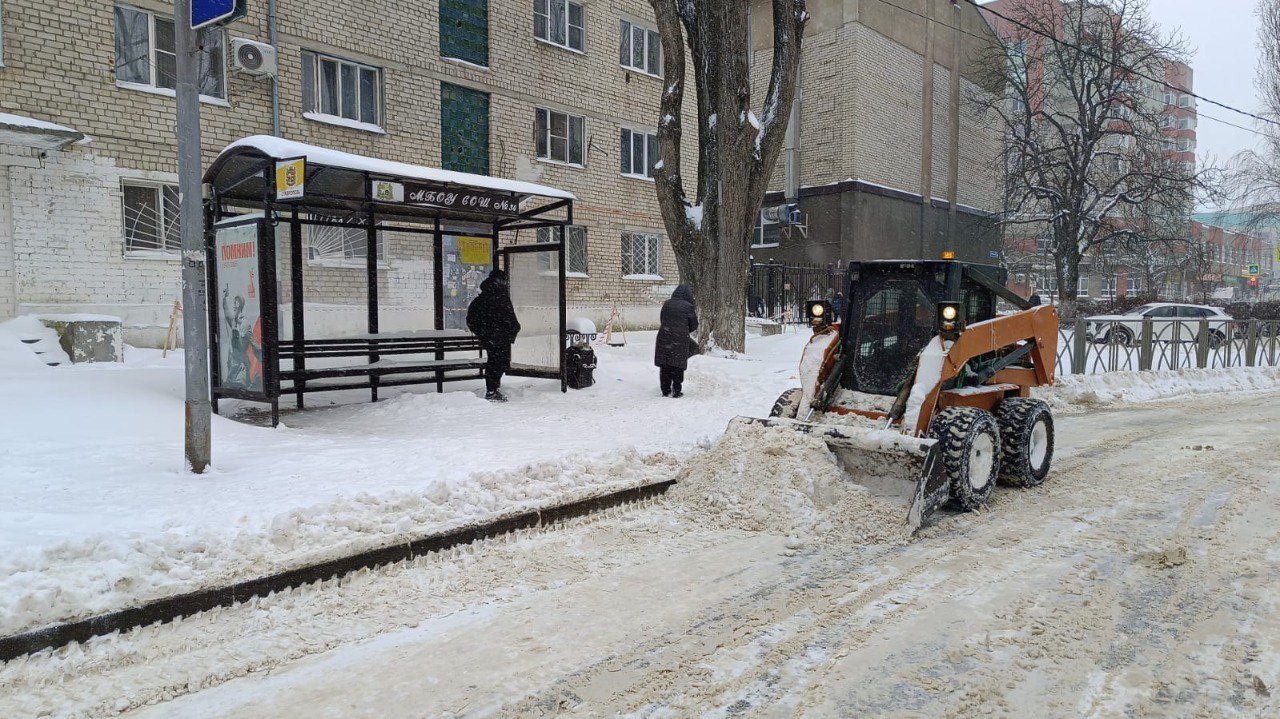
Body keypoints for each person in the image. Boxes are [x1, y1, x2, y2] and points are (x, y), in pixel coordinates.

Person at [466, 268, 521, 402]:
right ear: (501, 280)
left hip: (489, 337)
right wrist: (514, 329)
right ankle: (492, 390)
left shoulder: (483, 296)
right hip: (500, 337)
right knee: (500, 363)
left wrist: (482, 333)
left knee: (494, 362)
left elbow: (471, 319)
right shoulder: (500, 296)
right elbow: (509, 316)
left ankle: (493, 388)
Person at [654, 284, 698, 398]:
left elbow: (662, 318)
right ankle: (676, 391)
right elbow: (694, 324)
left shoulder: (667, 303)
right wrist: (684, 329)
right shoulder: (688, 306)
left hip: (664, 336)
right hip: (680, 339)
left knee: (665, 363)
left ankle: (665, 390)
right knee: (677, 364)